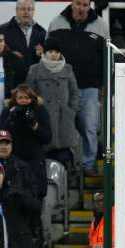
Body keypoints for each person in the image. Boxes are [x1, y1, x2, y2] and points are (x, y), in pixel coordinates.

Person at [47, 0, 109, 176]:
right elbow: (48, 54)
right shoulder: (56, 22)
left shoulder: (101, 25)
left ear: (89, 6)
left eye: (85, 5)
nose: (81, 8)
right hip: (63, 87)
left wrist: (104, 83)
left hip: (90, 87)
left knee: (90, 126)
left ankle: (88, 164)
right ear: (71, 4)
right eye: (78, 4)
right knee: (64, 127)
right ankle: (70, 164)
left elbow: (107, 57)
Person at [25, 37, 79, 169]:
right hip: (43, 116)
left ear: (60, 54)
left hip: (63, 118)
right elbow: (29, 93)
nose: (53, 55)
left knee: (63, 154)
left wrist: (71, 111)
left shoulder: (67, 69)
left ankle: (64, 180)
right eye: (50, 51)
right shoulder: (35, 69)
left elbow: (74, 92)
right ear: (44, 53)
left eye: (56, 51)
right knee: (43, 154)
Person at [0, 85, 51, 198]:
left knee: (36, 196)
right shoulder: (8, 112)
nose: (23, 100)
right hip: (14, 160)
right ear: (15, 99)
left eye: (27, 98)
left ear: (32, 98)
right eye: (20, 98)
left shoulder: (40, 111)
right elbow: (0, 136)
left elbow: (47, 138)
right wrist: (11, 119)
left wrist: (34, 125)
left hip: (35, 161)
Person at [0, 130, 38, 199]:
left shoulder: (23, 167)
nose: (4, 147)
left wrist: (19, 193)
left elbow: (33, 195)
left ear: (11, 146)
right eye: (0, 143)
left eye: (7, 143)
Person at [0, 0, 47, 69]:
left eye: (29, 9)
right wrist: (9, 55)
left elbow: (47, 57)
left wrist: (42, 54)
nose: (26, 12)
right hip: (11, 76)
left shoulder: (41, 32)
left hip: (34, 77)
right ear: (16, 10)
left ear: (33, 11)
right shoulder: (2, 30)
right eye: (23, 9)